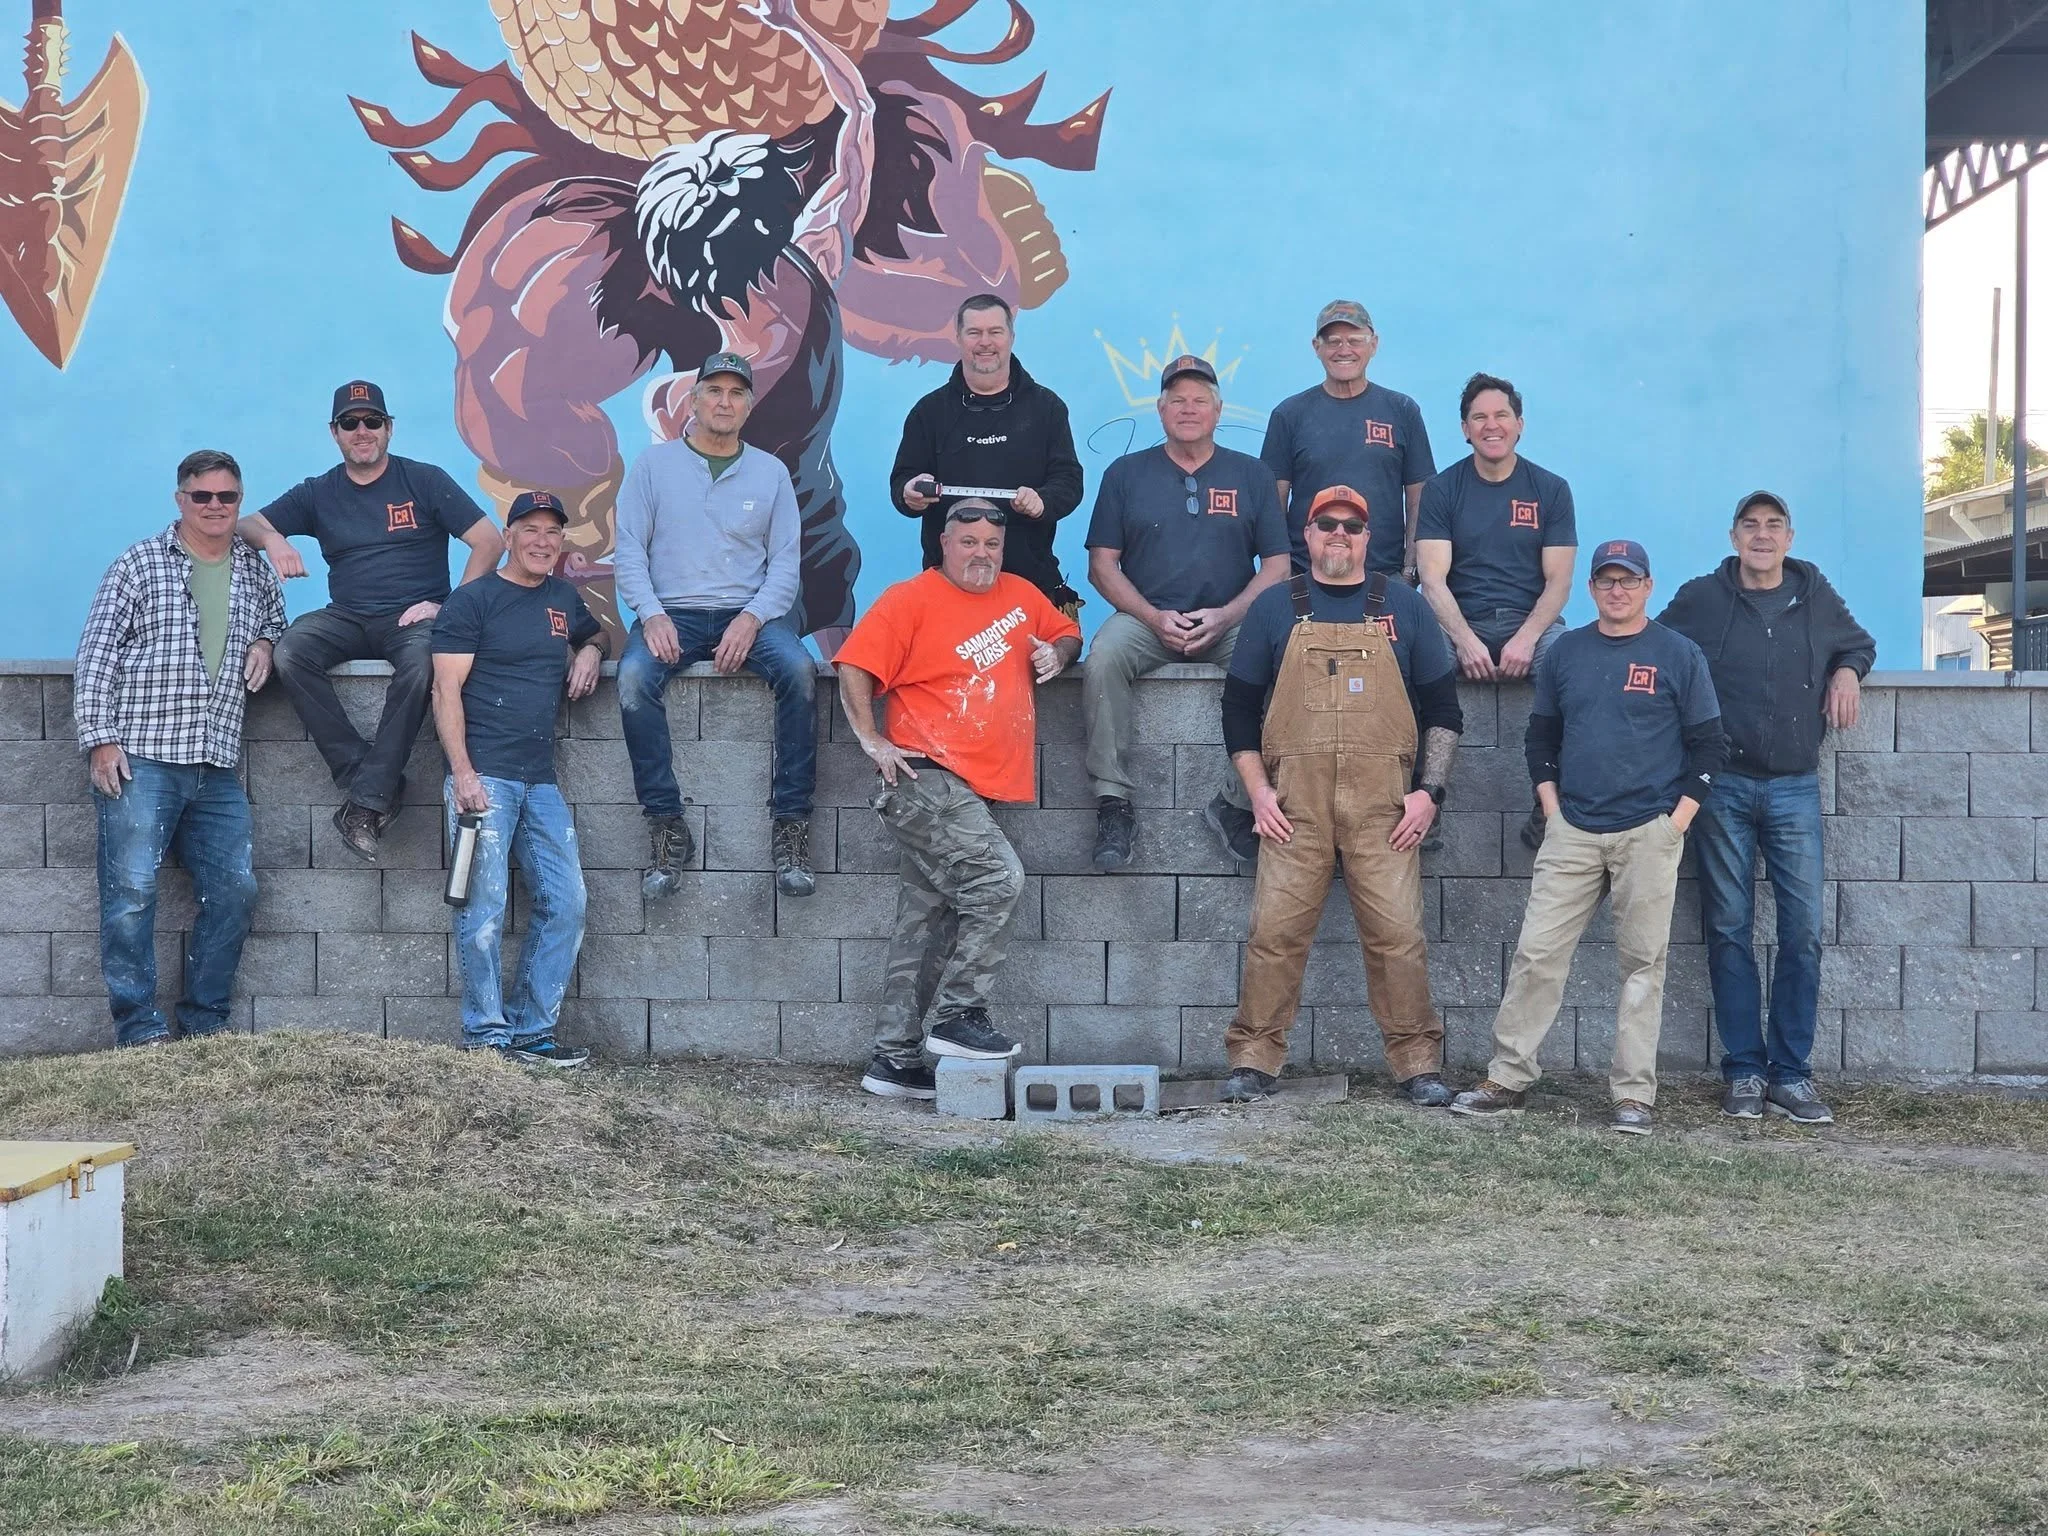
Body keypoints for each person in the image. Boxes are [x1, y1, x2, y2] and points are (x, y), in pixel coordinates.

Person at [1453, 541, 1728, 1136]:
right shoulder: (1567, 653)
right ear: (1592, 589)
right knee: (1537, 954)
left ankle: (1633, 1095)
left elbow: (1710, 746)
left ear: (1648, 587)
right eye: (1607, 580)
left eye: (1628, 580)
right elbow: (1541, 738)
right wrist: (1553, 811)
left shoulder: (1678, 654)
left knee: (1642, 965)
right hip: (1573, 830)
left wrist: (1675, 822)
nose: (1617, 590)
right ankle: (1507, 1077)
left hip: (1649, 831)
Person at [1217, 485, 1464, 1105]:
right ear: (1306, 534)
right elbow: (1238, 709)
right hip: (1292, 809)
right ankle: (1253, 1060)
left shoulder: (1404, 606)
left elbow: (1444, 710)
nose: (1339, 534)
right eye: (1326, 523)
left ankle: (1417, 1064)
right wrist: (1259, 793)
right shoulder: (1275, 607)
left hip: (1385, 810)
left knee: (1398, 936)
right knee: (1274, 933)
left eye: (1352, 526)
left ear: (1367, 538)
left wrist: (1429, 794)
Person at [836, 500, 1082, 1098]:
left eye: (991, 544)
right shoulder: (909, 599)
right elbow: (853, 665)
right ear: (944, 544)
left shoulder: (1021, 595)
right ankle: (958, 1015)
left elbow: (1067, 631)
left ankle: (892, 1061)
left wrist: (1058, 653)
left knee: (925, 923)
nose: (981, 554)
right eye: (968, 542)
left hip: (976, 789)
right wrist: (870, 739)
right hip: (927, 778)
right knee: (998, 880)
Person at [1658, 492, 1874, 1126]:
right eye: (1750, 525)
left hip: (1794, 788)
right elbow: (1656, 649)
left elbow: (1858, 644)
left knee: (1802, 932)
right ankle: (1745, 1070)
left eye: (1773, 525)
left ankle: (1792, 1074)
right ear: (1733, 537)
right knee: (1729, 930)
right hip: (1721, 786)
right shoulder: (1701, 597)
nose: (1762, 535)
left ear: (1789, 537)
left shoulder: (1816, 595)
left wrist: (1847, 670)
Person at [240, 381, 504, 862]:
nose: (362, 431)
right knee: (291, 651)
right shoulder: (318, 491)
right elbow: (245, 524)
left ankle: (366, 801)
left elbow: (489, 541)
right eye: (350, 422)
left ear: (389, 428)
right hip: (347, 615)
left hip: (413, 617)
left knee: (424, 663)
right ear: (335, 433)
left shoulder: (424, 480)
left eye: (372, 421)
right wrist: (274, 539)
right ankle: (370, 781)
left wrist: (451, 608)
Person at [74, 450, 286, 1047]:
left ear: (239, 502)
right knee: (131, 894)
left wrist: (266, 643)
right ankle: (139, 1028)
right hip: (141, 757)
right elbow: (96, 655)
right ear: (180, 500)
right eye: (202, 496)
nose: (215, 506)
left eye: (227, 497)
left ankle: (204, 1022)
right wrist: (100, 740)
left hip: (215, 763)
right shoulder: (139, 563)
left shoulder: (252, 569)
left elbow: (276, 618)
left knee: (236, 892)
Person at [611, 351, 817, 900]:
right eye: (714, 391)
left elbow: (786, 565)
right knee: (633, 679)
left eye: (736, 393)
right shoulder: (652, 467)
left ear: (749, 405)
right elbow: (628, 550)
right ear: (694, 400)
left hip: (748, 613)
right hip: (671, 612)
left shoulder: (771, 473)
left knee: (800, 671)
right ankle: (666, 825)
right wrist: (651, 614)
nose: (725, 402)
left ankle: (791, 826)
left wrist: (751, 619)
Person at [1083, 354, 1290, 873]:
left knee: (1284, 662)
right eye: (1177, 400)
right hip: (1146, 620)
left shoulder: (1252, 474)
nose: (1188, 408)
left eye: (1200, 400)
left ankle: (1238, 802)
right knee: (1104, 656)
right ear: (1160, 410)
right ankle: (1113, 805)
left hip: (1230, 621)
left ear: (1218, 410)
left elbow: (1278, 566)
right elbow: (1102, 566)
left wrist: (1227, 615)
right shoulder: (1125, 473)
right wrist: (1153, 617)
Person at [430, 491, 606, 1068]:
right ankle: (486, 1036)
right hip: (484, 778)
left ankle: (532, 1034)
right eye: (529, 529)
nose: (541, 541)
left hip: (541, 781)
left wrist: (590, 650)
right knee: (482, 910)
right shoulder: (472, 601)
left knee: (568, 903)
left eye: (552, 532)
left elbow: (596, 633)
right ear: (508, 537)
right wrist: (463, 774)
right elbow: (444, 690)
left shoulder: (563, 598)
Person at [1415, 371, 1579, 849]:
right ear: (1464, 429)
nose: (1492, 425)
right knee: (1414, 661)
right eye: (1479, 417)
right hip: (1458, 622)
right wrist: (1465, 641)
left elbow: (1559, 582)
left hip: (1532, 624)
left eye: (1502, 415)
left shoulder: (1551, 489)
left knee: (1574, 665)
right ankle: (1424, 801)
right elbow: (1432, 579)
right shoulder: (1442, 489)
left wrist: (1526, 639)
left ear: (1520, 424)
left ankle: (1550, 807)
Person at [889, 293, 1086, 615]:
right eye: (974, 332)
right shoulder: (929, 412)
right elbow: (902, 483)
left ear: (1011, 336)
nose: (985, 342)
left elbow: (1069, 481)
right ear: (958, 338)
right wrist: (909, 493)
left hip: (1032, 582)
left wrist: (1043, 501)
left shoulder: (1047, 408)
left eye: (995, 332)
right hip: (947, 586)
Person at [1259, 300, 1434, 582]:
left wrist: (1409, 571)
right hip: (1305, 578)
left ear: (1373, 345)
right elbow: (1272, 503)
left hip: (1385, 578)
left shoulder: (1402, 411)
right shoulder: (1289, 415)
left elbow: (1419, 497)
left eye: (1355, 340)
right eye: (1333, 342)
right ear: (1316, 347)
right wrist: (1282, 574)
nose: (1344, 350)